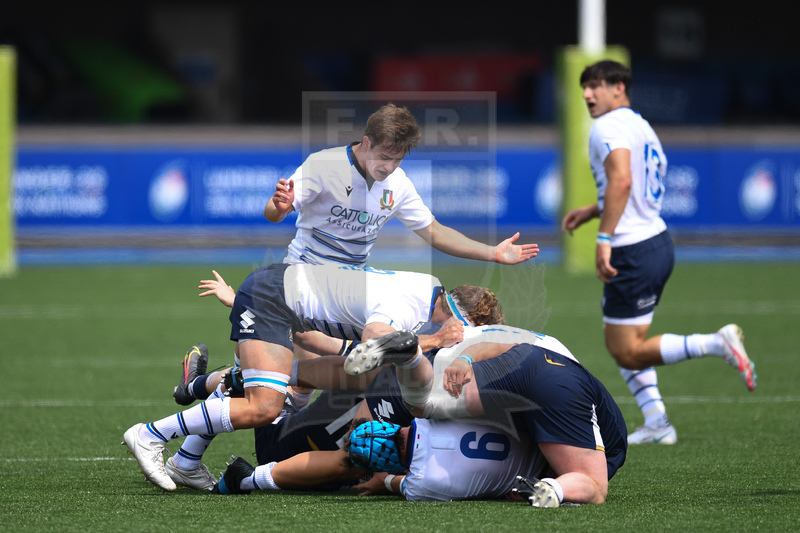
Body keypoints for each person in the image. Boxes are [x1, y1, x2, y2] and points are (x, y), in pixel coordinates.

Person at [122, 263, 498, 491]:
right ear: (452, 318)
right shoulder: (410, 318)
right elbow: (352, 452)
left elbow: (336, 356)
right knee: (265, 405)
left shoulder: (418, 314)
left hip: (283, 308)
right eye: (460, 336)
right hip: (281, 436)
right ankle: (151, 434)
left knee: (287, 376)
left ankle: (188, 447)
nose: (458, 346)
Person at [560, 59, 756, 445]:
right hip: (656, 240)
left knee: (626, 350)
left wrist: (604, 238)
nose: (587, 94)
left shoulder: (607, 126)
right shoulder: (642, 126)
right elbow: (634, 184)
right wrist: (595, 210)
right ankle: (657, 422)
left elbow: (622, 180)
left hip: (632, 249)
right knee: (622, 337)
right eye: (584, 86)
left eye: (595, 85)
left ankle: (716, 343)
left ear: (619, 87)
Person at [342, 324, 628, 506]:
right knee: (423, 404)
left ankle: (552, 487)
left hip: (536, 371)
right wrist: (464, 359)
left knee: (594, 486)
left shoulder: (423, 479)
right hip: (535, 364)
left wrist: (385, 480)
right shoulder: (425, 428)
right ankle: (411, 357)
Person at [264, 102, 539, 266]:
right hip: (304, 272)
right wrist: (280, 208)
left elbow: (435, 232)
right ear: (367, 142)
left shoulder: (399, 184)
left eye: (397, 160)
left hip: (350, 285)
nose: (389, 167)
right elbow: (272, 213)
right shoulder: (323, 164)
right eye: (384, 158)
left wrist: (493, 252)